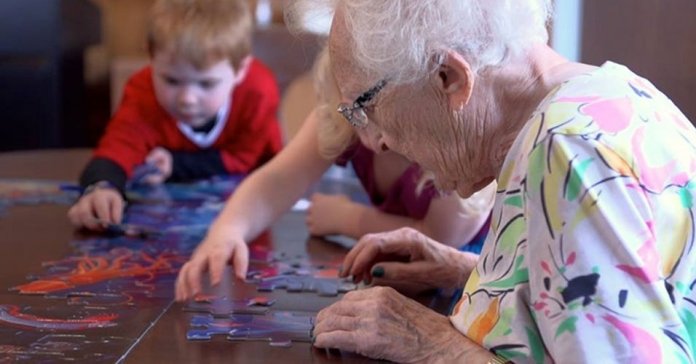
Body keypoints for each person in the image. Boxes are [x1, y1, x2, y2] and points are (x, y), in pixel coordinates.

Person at [286, 0, 696, 363]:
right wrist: (470, 272)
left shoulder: (570, 149)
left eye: (366, 106)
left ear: (449, 77)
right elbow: (600, 301)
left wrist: (434, 345)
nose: (376, 140)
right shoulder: (616, 91)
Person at [174, 48, 495, 301]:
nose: (372, 138)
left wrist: (348, 219)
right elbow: (275, 182)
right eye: (353, 111)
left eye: (375, 111)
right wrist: (226, 231)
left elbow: (438, 241)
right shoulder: (347, 113)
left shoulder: (455, 135)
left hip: (476, 280)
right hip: (393, 274)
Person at [68, 0, 282, 231]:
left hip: (254, 215)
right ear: (151, 60)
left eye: (207, 83)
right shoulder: (142, 92)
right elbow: (117, 148)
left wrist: (176, 164)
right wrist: (101, 187)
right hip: (168, 223)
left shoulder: (258, 91)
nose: (187, 98)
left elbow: (243, 158)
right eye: (171, 80)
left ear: (240, 70)